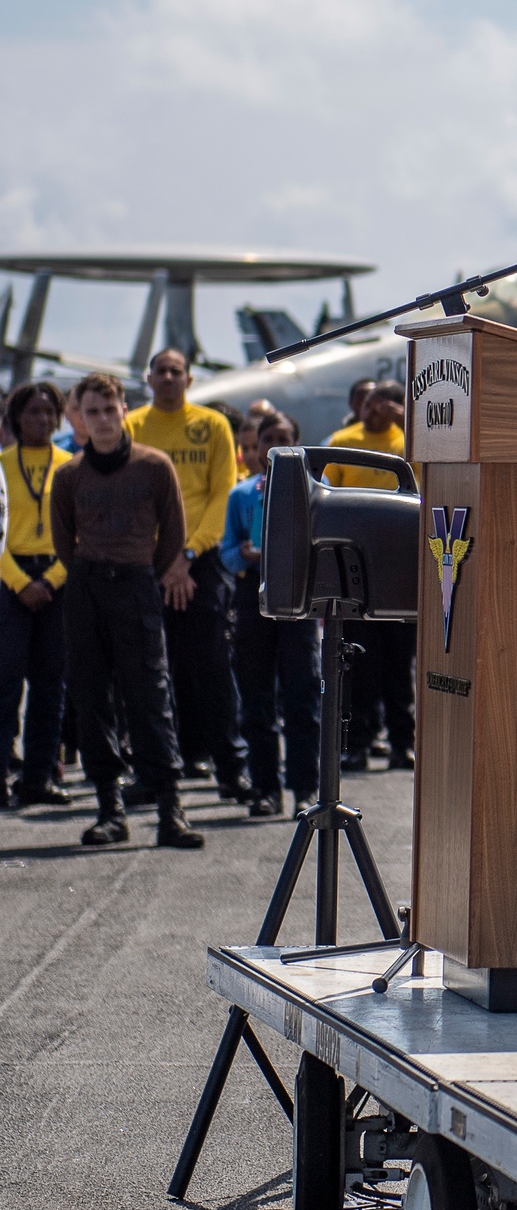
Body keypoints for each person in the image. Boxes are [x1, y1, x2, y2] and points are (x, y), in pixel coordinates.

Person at [50, 373, 203, 847]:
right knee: (92, 698)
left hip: (137, 585)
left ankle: (170, 810)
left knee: (150, 697)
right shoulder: (69, 475)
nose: (100, 420)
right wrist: (92, 575)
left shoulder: (154, 466)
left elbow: (172, 535)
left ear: (122, 409)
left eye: (107, 409)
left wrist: (141, 570)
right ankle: (108, 809)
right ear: (78, 416)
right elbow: (63, 542)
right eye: (89, 411)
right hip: (87, 587)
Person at [127, 349, 251, 800]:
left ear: (189, 379)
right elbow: (128, 495)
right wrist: (161, 559)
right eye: (159, 371)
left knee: (213, 669)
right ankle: (153, 772)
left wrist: (188, 553)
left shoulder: (213, 424)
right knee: (147, 673)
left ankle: (231, 770)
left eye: (175, 371)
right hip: (146, 564)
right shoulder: (133, 426)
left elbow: (222, 494)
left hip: (201, 564)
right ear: (148, 378)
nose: (167, 377)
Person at [221, 412, 321, 816]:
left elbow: (322, 544)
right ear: (256, 447)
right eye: (268, 439)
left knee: (301, 696)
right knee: (257, 697)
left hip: (297, 600)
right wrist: (247, 557)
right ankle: (265, 787)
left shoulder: (316, 490)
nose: (276, 445)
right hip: (253, 595)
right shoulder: (242, 495)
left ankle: (306, 787)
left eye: (285, 437)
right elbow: (227, 552)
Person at [324, 381, 416, 769]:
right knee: (359, 664)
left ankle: (402, 743)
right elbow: (326, 496)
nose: (372, 408)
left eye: (382, 402)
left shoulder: (407, 441)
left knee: (400, 665)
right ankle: (356, 743)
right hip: (355, 569)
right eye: (366, 401)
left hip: (400, 567)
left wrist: (404, 419)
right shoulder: (343, 441)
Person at [0, 381, 72, 808]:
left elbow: (78, 535)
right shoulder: (2, 465)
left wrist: (51, 580)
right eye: (33, 412)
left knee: (50, 684)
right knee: (5, 684)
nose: (42, 420)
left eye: (50, 412)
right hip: (10, 581)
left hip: (56, 578)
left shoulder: (70, 466)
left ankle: (39, 778)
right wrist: (21, 583)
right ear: (16, 417)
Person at [53, 381, 89, 453]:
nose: (83, 415)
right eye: (77, 409)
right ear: (66, 413)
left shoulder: (116, 452)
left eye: (90, 409)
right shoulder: (55, 453)